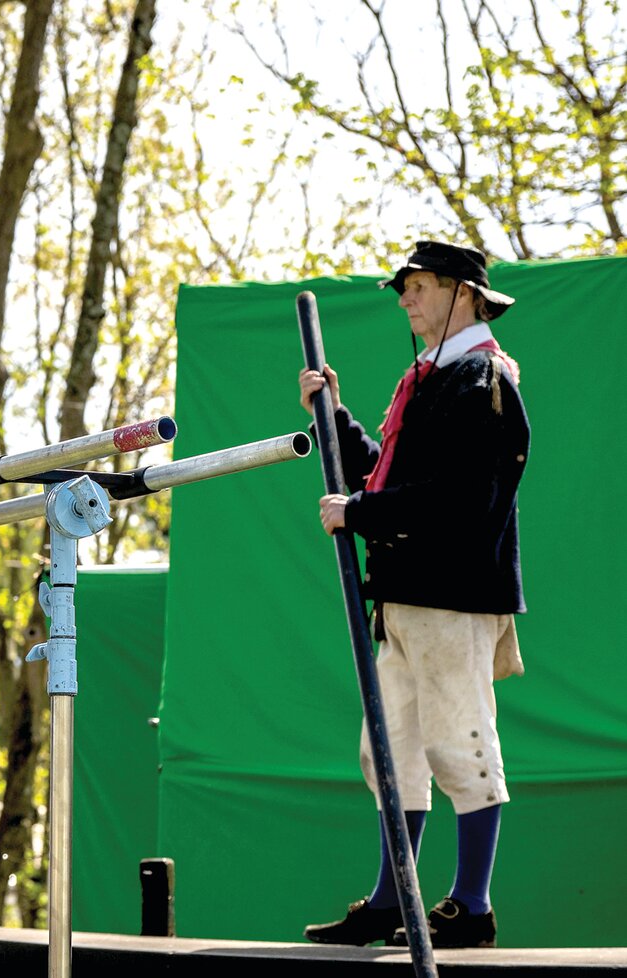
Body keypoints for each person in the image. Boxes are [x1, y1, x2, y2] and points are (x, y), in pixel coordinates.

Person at [298, 240, 528, 950]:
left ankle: (470, 904)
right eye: (403, 288)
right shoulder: (429, 379)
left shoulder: (481, 380)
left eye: (418, 286)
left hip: (451, 596)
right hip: (403, 596)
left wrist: (358, 515)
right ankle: (391, 897)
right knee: (390, 750)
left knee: (460, 742)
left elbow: (463, 501)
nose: (404, 299)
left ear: (463, 292)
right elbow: (383, 478)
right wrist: (333, 417)